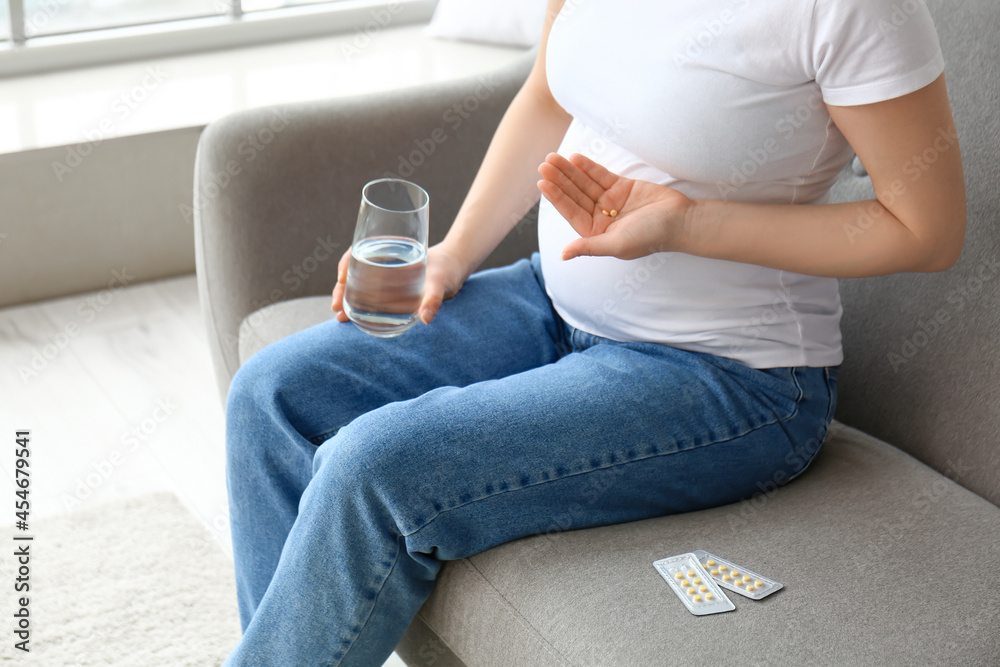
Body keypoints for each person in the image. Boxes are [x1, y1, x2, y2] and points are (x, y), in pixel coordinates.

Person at [221, 0, 964, 664]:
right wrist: (452, 253)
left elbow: (925, 230)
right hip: (553, 301)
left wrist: (689, 224)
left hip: (730, 377)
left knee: (374, 468)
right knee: (274, 395)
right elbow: (548, 95)